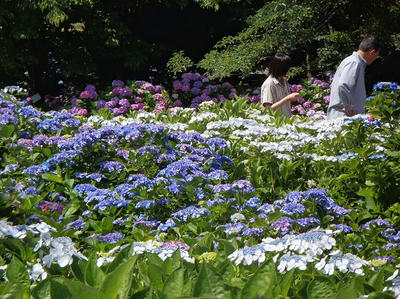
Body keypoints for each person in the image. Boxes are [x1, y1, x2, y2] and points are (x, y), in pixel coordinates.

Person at [327, 36, 382, 120]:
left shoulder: (355, 62)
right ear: (372, 52)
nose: (375, 59)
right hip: (343, 117)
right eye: (376, 56)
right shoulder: (354, 62)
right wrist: (349, 109)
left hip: (346, 117)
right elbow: (343, 85)